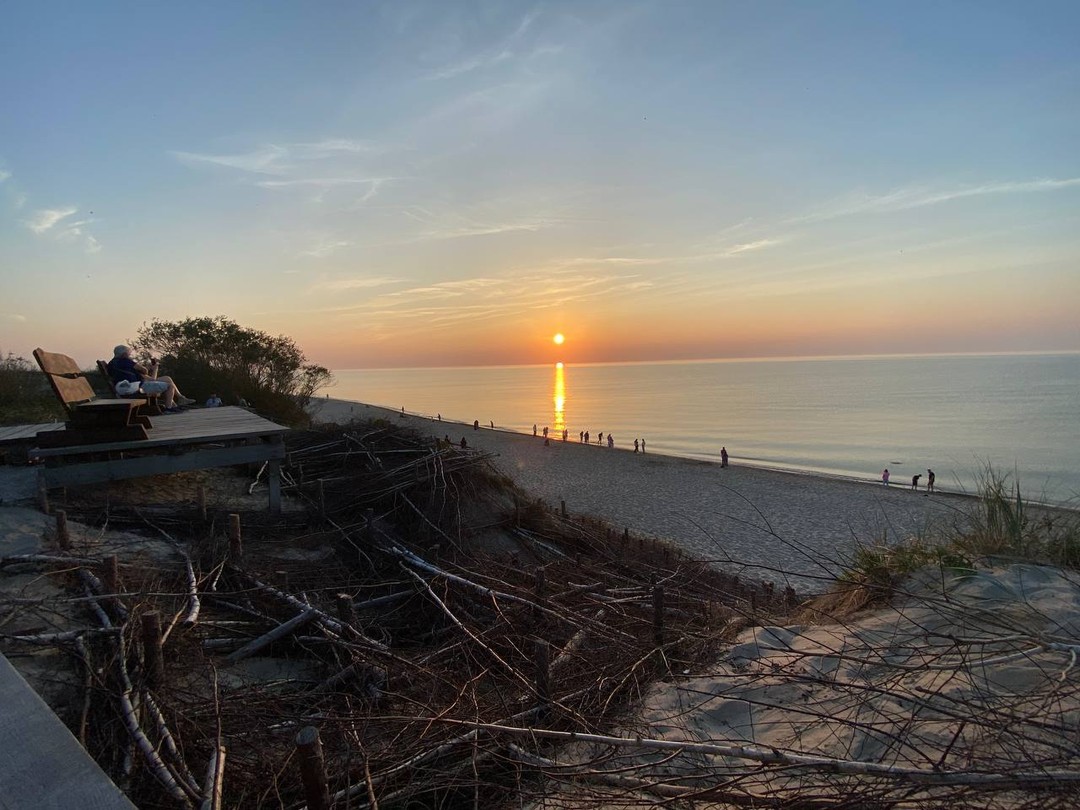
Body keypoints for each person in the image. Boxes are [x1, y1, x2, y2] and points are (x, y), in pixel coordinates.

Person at [106, 345, 193, 412]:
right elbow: (144, 371)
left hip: (123, 387)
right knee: (170, 386)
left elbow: (146, 375)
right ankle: (169, 408)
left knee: (167, 379)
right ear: (124, 354)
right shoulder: (125, 361)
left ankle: (176, 404)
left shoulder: (112, 364)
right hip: (135, 387)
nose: (130, 356)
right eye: (129, 354)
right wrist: (154, 368)